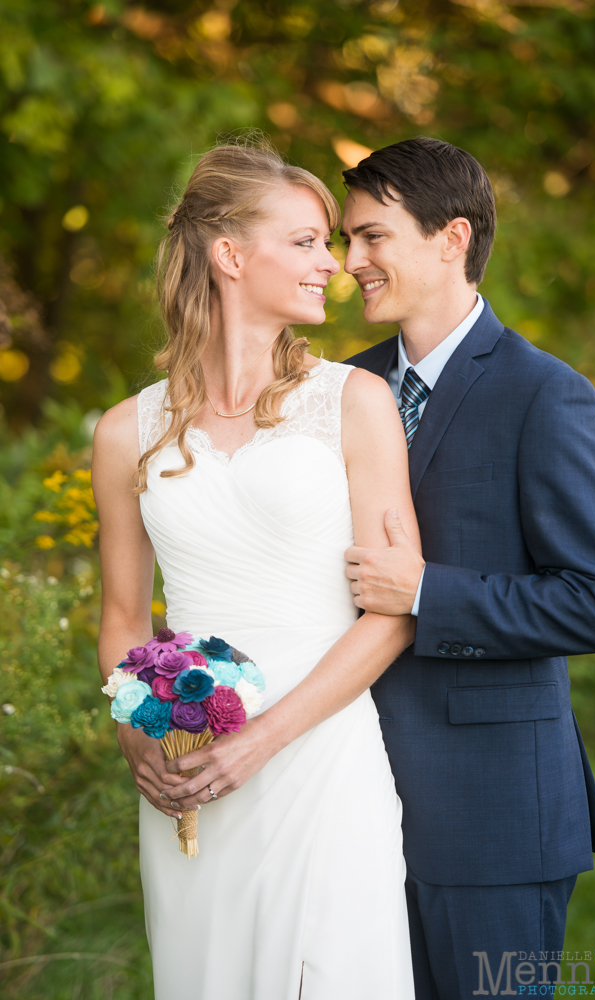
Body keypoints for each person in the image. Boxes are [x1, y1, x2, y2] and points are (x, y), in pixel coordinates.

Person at [91, 138, 418, 1000]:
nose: (334, 266)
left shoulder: (355, 402)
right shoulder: (127, 430)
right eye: (307, 242)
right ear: (230, 255)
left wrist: (264, 742)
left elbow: (393, 609)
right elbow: (124, 617)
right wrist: (137, 732)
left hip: (323, 759)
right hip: (190, 769)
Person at [340, 137, 595, 1000]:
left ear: (450, 237)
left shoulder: (547, 393)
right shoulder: (341, 390)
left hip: (493, 814)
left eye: (371, 237)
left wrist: (425, 593)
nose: (349, 261)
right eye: (347, 240)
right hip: (349, 803)